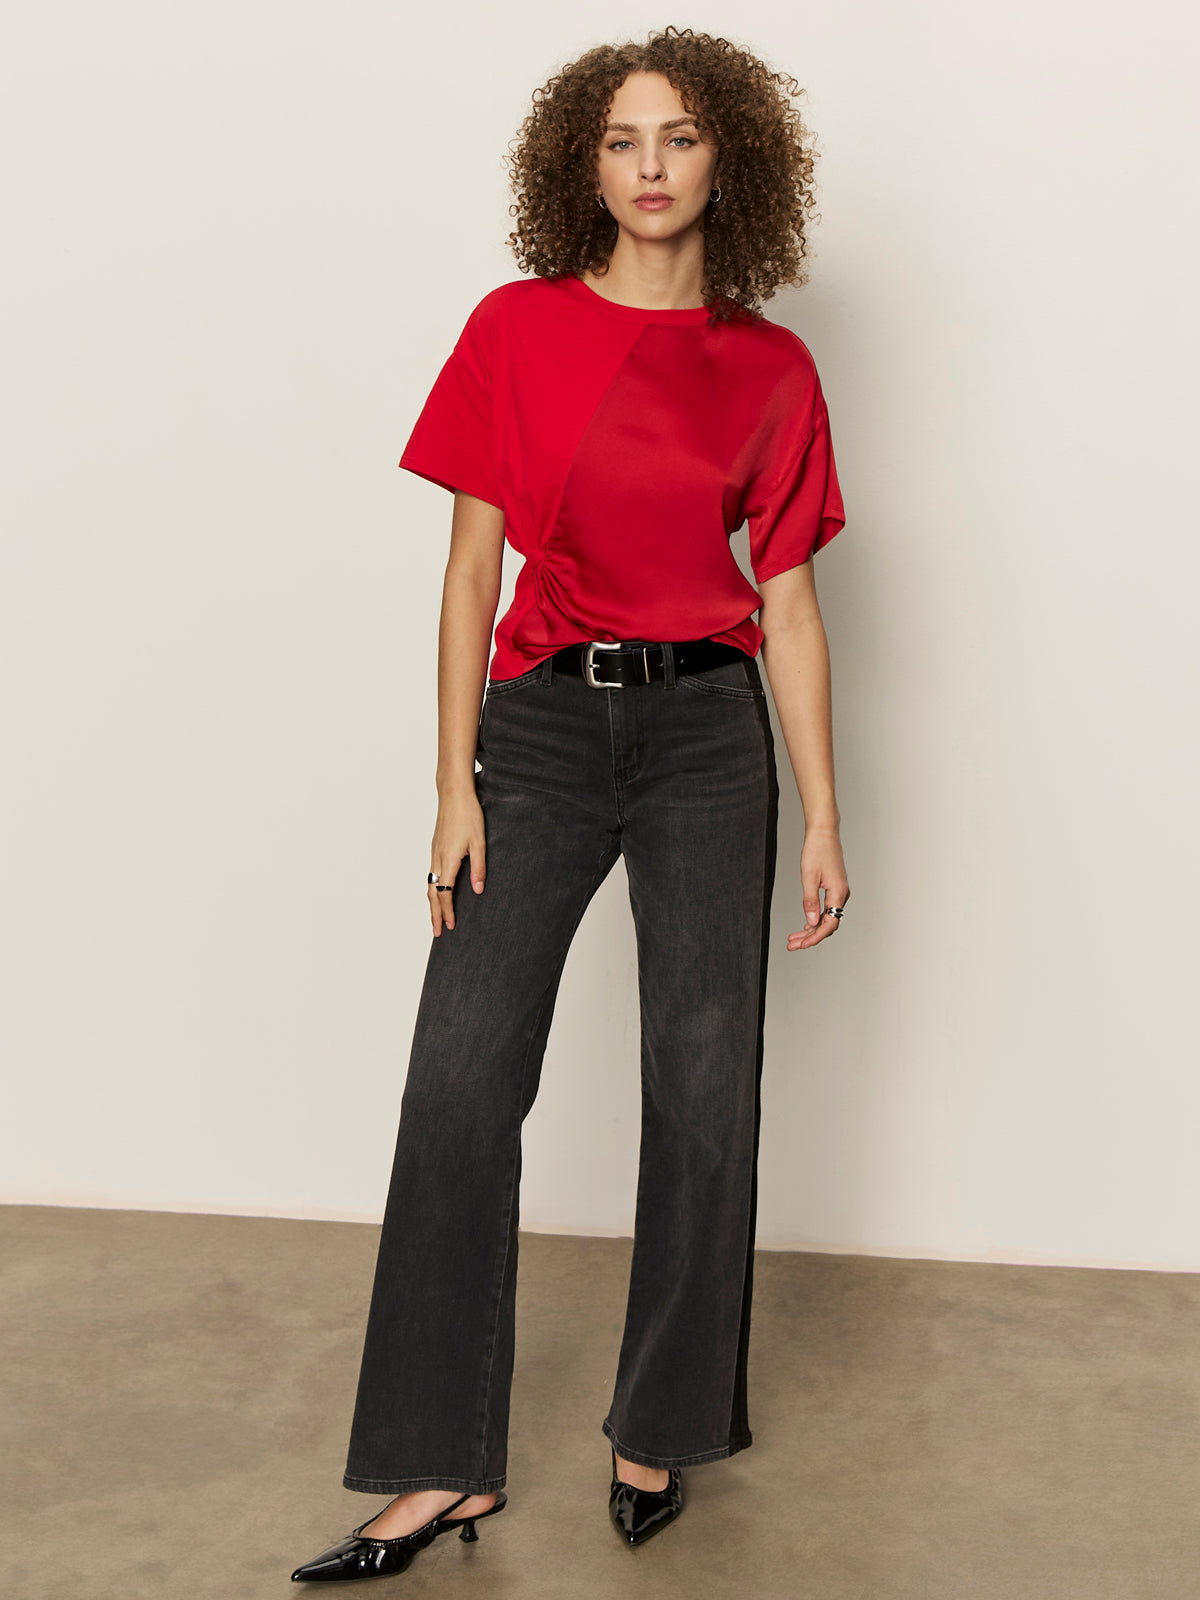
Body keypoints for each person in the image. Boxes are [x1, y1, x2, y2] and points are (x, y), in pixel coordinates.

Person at [291, 24, 851, 1585]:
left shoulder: (771, 367)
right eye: (622, 139)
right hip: (538, 730)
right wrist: (453, 780)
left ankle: (656, 1419)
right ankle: (433, 1465)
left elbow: (789, 605)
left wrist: (821, 811)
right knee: (460, 1082)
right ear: (580, 163)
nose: (652, 165)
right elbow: (473, 566)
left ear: (729, 157)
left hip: (709, 743)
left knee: (701, 1083)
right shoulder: (515, 330)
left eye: (679, 137)